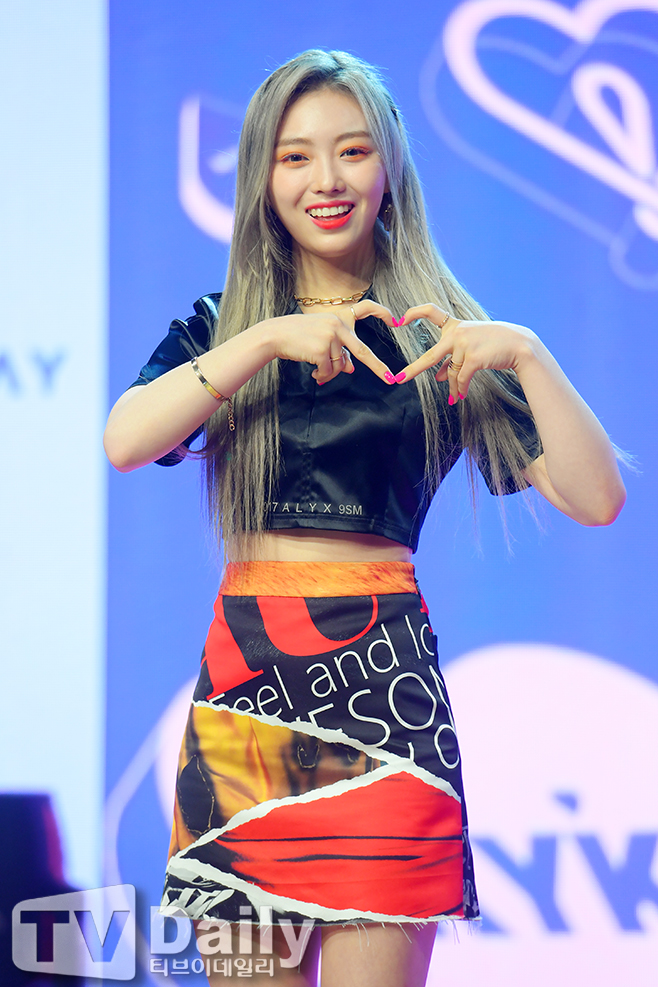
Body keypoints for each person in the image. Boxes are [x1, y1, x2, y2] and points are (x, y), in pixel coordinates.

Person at [104, 49, 626, 987]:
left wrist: (529, 353)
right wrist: (267, 337)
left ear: (389, 168)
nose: (327, 180)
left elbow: (597, 499)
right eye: (296, 156)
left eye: (352, 151)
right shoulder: (225, 327)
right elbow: (125, 439)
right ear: (263, 178)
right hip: (246, 694)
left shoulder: (439, 333)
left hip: (385, 694)